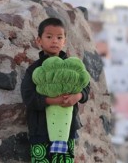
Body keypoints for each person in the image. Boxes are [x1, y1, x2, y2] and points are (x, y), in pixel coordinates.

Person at [21, 17, 90, 162]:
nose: (54, 41)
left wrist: (77, 96)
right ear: (39, 40)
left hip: (67, 131)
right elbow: (28, 97)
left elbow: (85, 86)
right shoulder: (34, 70)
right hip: (40, 131)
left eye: (59, 37)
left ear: (64, 41)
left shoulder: (73, 67)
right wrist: (54, 100)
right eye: (49, 37)